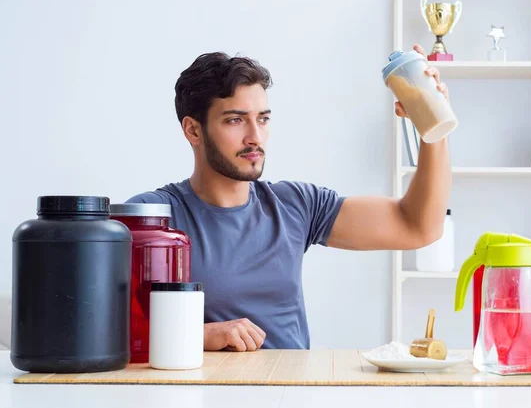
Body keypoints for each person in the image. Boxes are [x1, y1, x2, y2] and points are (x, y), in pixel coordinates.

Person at [125, 44, 451, 352]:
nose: (255, 137)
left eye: (263, 119)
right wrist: (196, 335)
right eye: (235, 120)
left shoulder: (295, 205)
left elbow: (417, 226)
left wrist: (431, 126)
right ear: (193, 130)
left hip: (290, 391)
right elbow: (97, 329)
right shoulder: (151, 218)